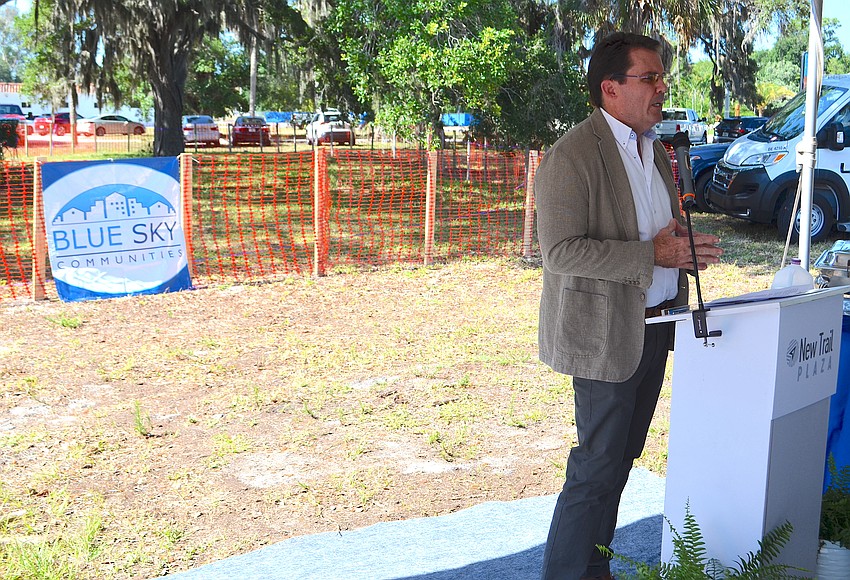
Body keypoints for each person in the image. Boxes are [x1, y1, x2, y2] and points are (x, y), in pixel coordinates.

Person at [534, 32, 723, 580]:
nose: (662, 88)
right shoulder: (571, 155)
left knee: (620, 461)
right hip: (604, 335)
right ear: (610, 88)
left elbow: (648, 226)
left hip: (657, 328)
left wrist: (677, 244)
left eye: (662, 77)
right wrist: (653, 253)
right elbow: (560, 252)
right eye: (651, 78)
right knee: (595, 468)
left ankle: (597, 569)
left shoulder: (654, 149)